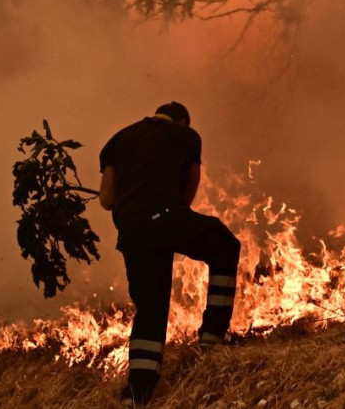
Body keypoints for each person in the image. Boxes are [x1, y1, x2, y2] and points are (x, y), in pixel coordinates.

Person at [98, 102, 242, 407]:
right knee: (225, 245)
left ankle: (137, 392)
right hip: (165, 216)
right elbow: (188, 190)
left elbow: (107, 201)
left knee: (150, 308)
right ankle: (213, 336)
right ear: (182, 122)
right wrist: (172, 216)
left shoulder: (117, 141)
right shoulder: (186, 137)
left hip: (132, 231)